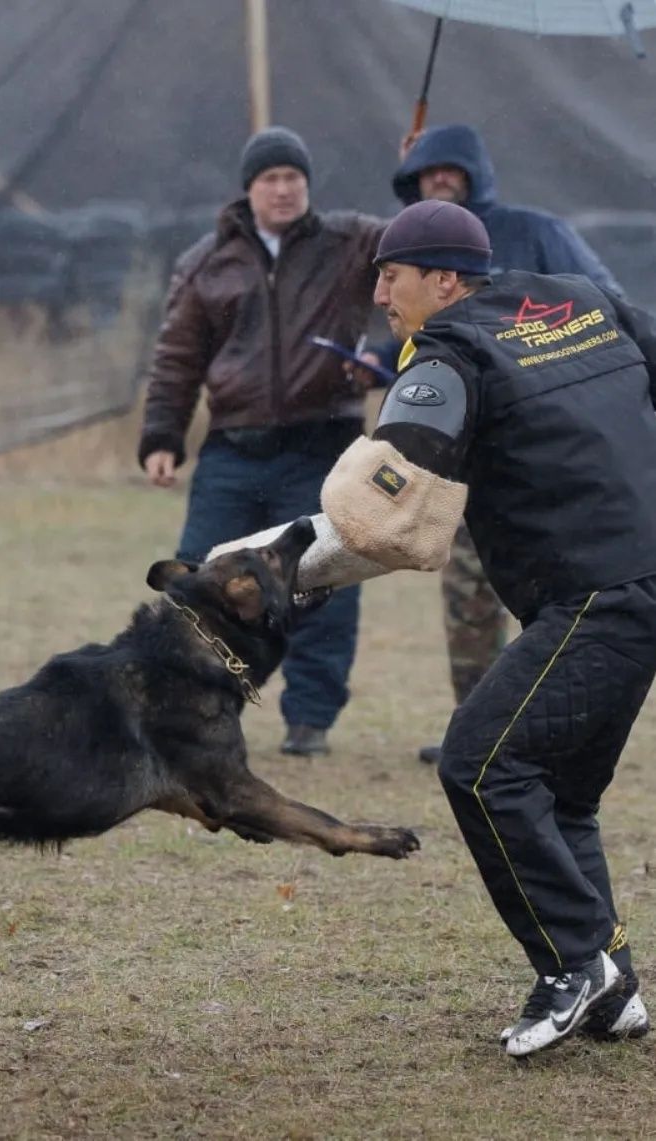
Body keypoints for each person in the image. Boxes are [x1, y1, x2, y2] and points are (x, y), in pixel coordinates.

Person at [216, 199, 656, 1057]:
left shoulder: (450, 353)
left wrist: (265, 569)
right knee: (559, 791)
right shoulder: (578, 298)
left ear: (446, 279)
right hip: (635, 577)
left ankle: (575, 967)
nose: (380, 290)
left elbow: (383, 511)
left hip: (596, 592)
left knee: (480, 767)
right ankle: (613, 987)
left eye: (393, 273)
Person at [138, 126, 384, 756]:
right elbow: (176, 357)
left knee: (322, 582)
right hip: (233, 447)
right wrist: (162, 435)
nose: (283, 189)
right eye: (270, 179)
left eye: (293, 178)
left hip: (322, 446)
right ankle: (191, 708)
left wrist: (382, 353)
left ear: (308, 185)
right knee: (197, 580)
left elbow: (422, 249)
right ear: (248, 189)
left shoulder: (352, 243)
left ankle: (310, 721)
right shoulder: (206, 263)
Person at [390, 124, 624, 766]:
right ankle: (478, 728)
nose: (439, 180)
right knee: (468, 601)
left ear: (475, 172)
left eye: (450, 171)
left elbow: (609, 306)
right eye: (424, 173)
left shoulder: (536, 232)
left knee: (551, 599)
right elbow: (409, 342)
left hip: (545, 455)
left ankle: (556, 730)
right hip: (466, 457)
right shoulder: (414, 254)